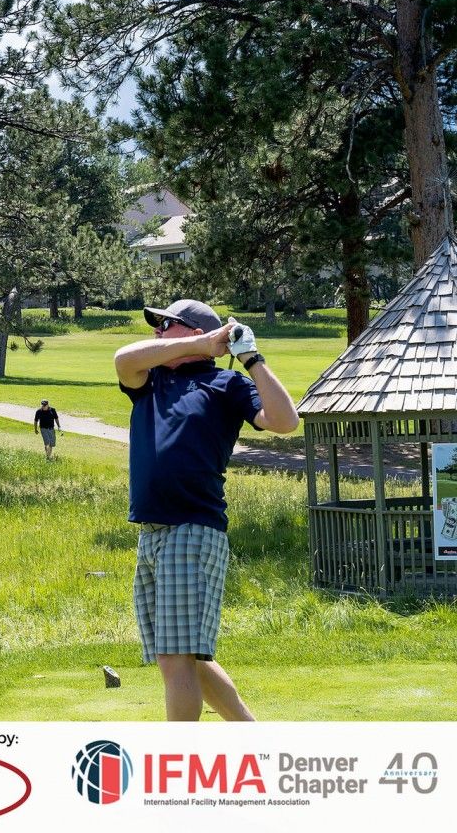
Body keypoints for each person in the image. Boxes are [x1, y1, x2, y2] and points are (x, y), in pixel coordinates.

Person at [113, 299, 299, 721]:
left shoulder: (225, 385)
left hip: (193, 528)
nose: (157, 331)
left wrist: (250, 357)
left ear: (194, 330)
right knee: (189, 657)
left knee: (174, 657)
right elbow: (123, 358)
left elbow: (285, 421)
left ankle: (178, 764)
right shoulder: (150, 379)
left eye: (166, 324)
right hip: (154, 531)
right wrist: (204, 341)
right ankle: (257, 743)